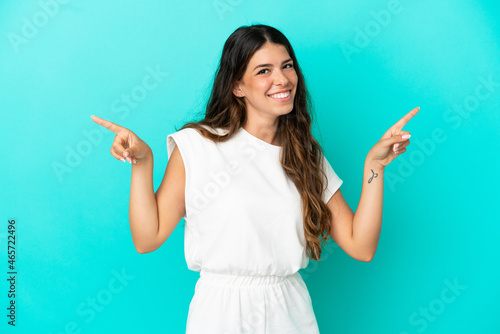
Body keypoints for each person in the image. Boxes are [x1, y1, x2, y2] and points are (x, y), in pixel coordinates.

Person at [91, 24, 419, 334]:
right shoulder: (198, 146)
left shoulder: (305, 156)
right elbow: (147, 239)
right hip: (221, 313)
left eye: (287, 66)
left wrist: (375, 167)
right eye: (264, 71)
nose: (283, 79)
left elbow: (361, 245)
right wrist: (142, 163)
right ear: (237, 86)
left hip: (289, 311)